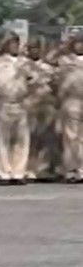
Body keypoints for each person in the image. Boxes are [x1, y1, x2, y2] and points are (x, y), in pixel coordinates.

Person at [0, 33, 31, 184]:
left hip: (20, 102)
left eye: (15, 43)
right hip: (3, 102)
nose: (13, 46)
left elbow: (33, 78)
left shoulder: (25, 62)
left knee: (21, 139)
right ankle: (5, 173)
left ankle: (19, 172)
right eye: (10, 43)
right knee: (3, 139)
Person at [24, 38, 58, 180]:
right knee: (31, 138)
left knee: (47, 138)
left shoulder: (47, 67)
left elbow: (55, 85)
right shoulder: (23, 66)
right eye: (31, 48)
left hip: (47, 104)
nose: (34, 50)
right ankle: (28, 169)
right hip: (29, 104)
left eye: (36, 47)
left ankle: (43, 168)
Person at [53, 35, 83, 182]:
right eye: (77, 43)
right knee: (71, 137)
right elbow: (49, 60)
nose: (80, 46)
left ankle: (81, 170)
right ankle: (71, 170)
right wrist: (62, 47)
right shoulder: (66, 60)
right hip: (71, 100)